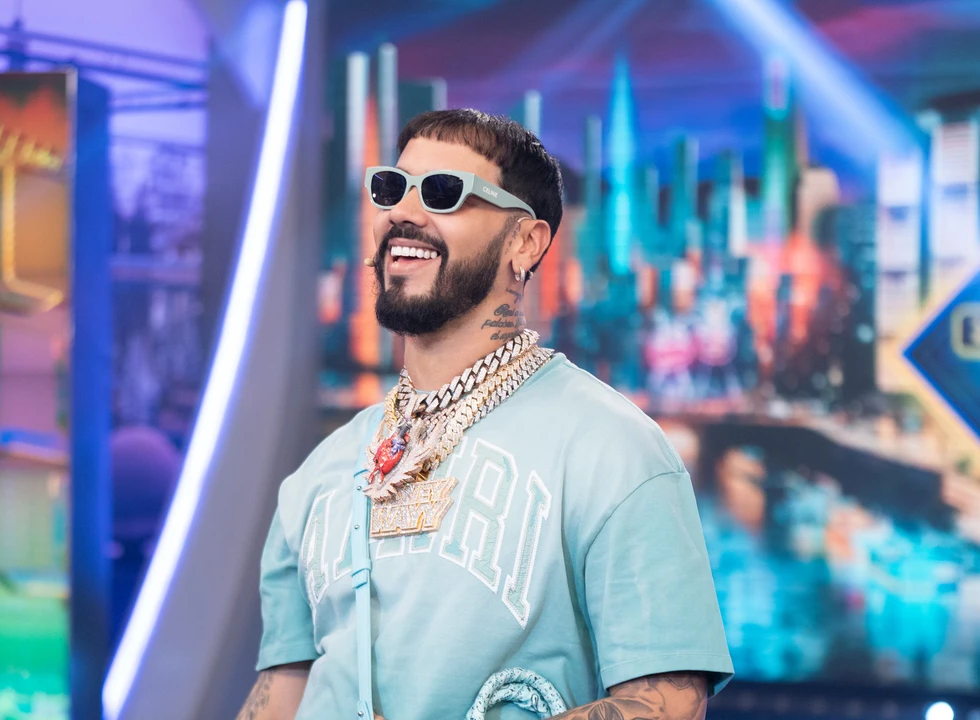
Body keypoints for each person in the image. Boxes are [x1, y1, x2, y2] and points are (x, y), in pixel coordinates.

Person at [240, 109, 733, 720]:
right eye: (391, 188)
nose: (404, 213)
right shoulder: (319, 473)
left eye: (443, 192)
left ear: (525, 242)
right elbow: (282, 693)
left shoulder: (614, 450)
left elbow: (670, 702)